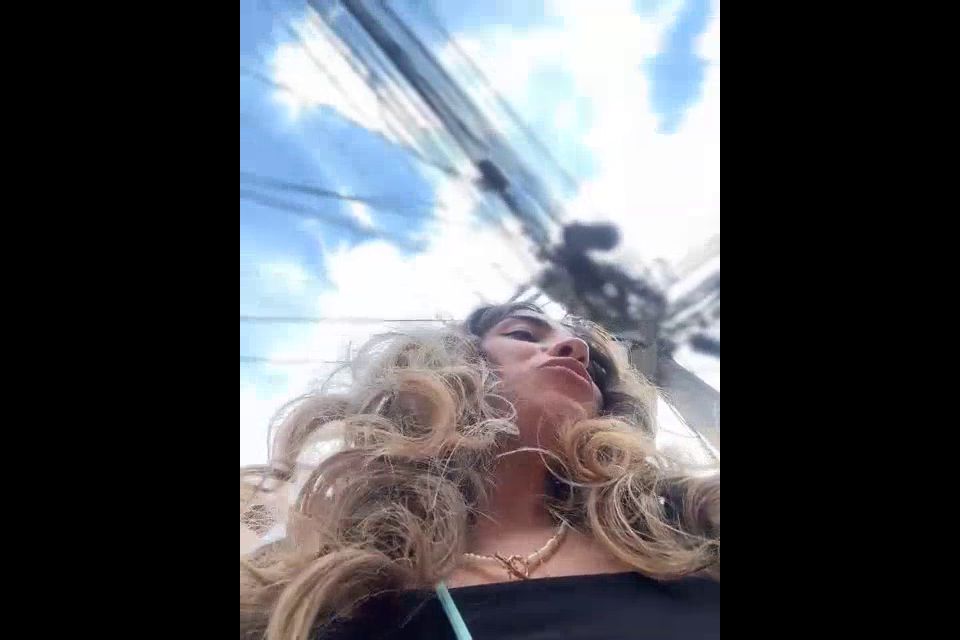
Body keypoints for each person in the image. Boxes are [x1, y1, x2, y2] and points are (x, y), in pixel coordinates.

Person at [240, 302, 720, 640]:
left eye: (594, 370)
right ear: (449, 369)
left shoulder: (688, 527)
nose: (574, 348)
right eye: (524, 334)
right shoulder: (323, 593)